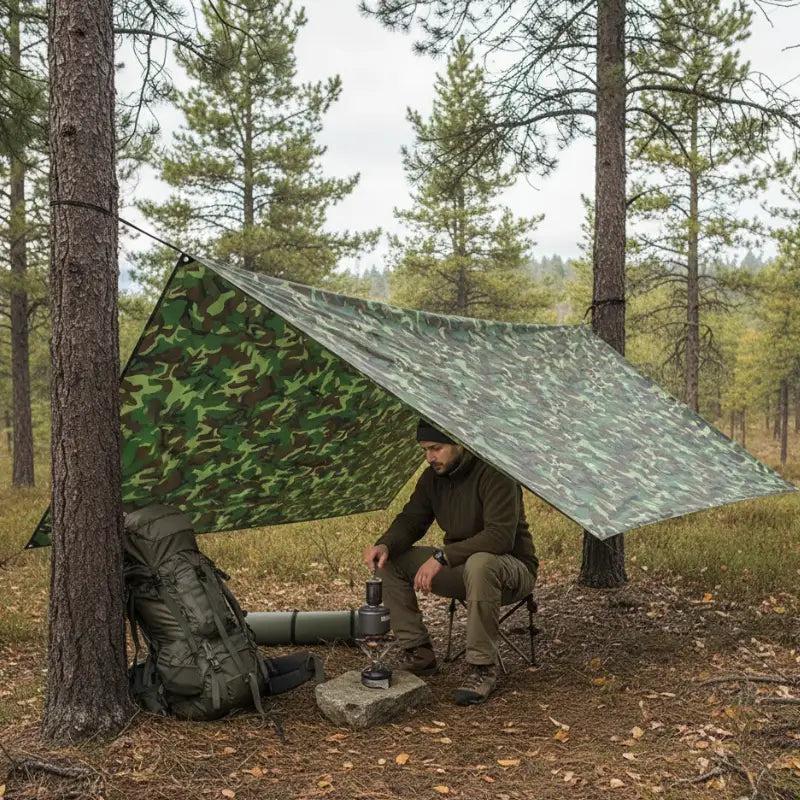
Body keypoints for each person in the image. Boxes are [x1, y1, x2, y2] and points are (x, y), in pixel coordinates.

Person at [362, 419, 538, 705]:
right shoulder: (433, 478)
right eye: (425, 450)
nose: (429, 457)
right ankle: (418, 652)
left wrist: (442, 557)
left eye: (436, 448)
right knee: (389, 561)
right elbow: (411, 520)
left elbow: (499, 537)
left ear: (460, 443)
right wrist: (384, 544)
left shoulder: (496, 473)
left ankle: (482, 668)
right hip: (463, 567)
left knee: (481, 563)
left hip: (510, 569)